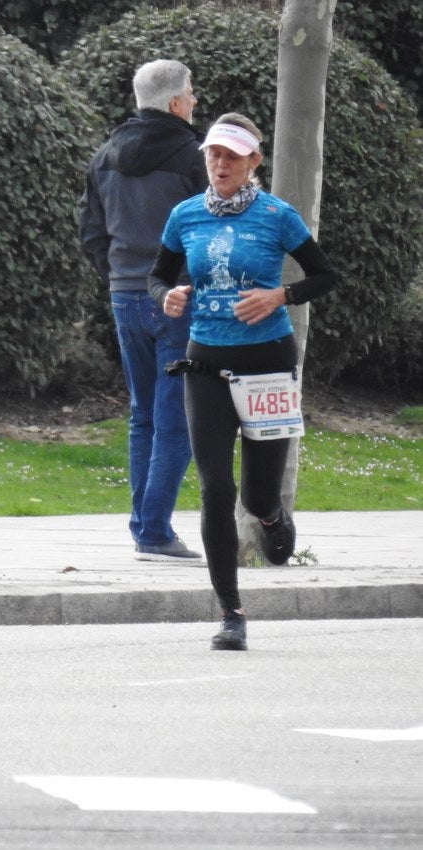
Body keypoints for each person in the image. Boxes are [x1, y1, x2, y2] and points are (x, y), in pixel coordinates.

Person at [147, 113, 337, 651]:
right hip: (205, 361)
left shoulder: (277, 216)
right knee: (214, 488)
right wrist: (168, 293)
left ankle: (274, 516)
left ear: (254, 161)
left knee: (255, 496)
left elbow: (325, 275)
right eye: (213, 154)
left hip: (269, 363)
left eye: (232, 155)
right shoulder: (184, 216)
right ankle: (231, 614)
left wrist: (281, 296)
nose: (221, 163)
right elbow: (158, 273)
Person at [79, 59, 208, 562]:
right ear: (175, 102)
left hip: (124, 295)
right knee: (177, 417)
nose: (195, 101)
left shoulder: (104, 155)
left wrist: (118, 277)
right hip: (178, 297)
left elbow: (90, 232)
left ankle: (145, 527)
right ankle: (153, 532)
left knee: (143, 415)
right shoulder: (194, 156)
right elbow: (207, 227)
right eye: (191, 94)